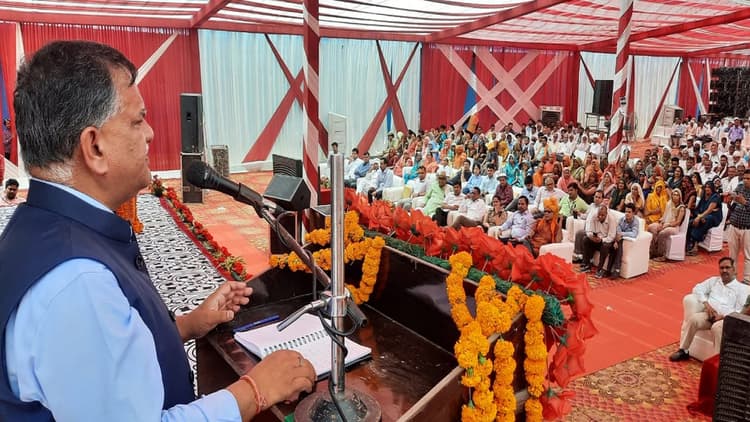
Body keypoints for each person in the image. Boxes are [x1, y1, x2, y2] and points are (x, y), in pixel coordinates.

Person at [0, 41, 315, 421]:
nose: (149, 134)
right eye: (138, 120)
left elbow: (102, 361)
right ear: (94, 147)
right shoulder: (78, 282)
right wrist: (255, 390)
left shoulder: (44, 229)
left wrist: (185, 326)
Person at [670, 257, 750, 362]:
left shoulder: (742, 289)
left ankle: (717, 361)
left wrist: (723, 316)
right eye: (721, 268)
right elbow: (697, 288)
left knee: (717, 328)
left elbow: (740, 311)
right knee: (694, 319)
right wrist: (707, 305)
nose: (724, 270)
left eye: (727, 267)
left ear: (734, 270)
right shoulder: (713, 281)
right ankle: (683, 350)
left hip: (725, 319)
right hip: (709, 314)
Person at [597, 203, 639, 279]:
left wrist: (622, 235)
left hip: (623, 239)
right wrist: (616, 240)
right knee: (613, 248)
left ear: (633, 213)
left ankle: (614, 270)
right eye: (626, 211)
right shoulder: (621, 220)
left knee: (618, 245)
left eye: (629, 212)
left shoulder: (635, 221)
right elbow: (617, 231)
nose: (627, 214)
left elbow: (634, 234)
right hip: (616, 238)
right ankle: (611, 270)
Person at [687, 181, 723, 255]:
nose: (707, 189)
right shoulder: (704, 196)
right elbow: (697, 209)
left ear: (712, 188)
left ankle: (694, 245)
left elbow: (710, 210)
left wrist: (700, 217)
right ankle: (690, 242)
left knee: (705, 220)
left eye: (709, 187)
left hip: (713, 217)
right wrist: (698, 216)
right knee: (693, 220)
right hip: (703, 215)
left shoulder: (715, 196)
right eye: (706, 187)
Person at [650, 188, 687, 260]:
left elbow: (678, 222)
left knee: (662, 233)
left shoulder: (681, 208)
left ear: (680, 197)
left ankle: (661, 255)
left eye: (677, 195)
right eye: (674, 194)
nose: (675, 196)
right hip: (665, 223)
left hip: (674, 227)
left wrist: (667, 225)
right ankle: (653, 251)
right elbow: (664, 216)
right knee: (651, 227)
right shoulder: (669, 203)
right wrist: (661, 223)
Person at [727, 169, 750, 282]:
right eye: (744, 178)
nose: (746, 180)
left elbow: (743, 203)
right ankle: (732, 278)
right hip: (734, 224)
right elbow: (733, 205)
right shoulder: (740, 187)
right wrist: (729, 202)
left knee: (748, 256)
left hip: (748, 228)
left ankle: (747, 280)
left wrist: (745, 202)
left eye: (748, 179)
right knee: (732, 255)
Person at [580, 206, 617, 273]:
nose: (600, 217)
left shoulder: (611, 219)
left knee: (605, 246)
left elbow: (611, 237)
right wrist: (591, 236)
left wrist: (601, 240)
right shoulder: (594, 216)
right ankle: (586, 265)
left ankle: (599, 269)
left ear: (606, 214)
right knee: (586, 239)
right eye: (599, 215)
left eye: (602, 215)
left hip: (607, 241)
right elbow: (589, 229)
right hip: (597, 238)